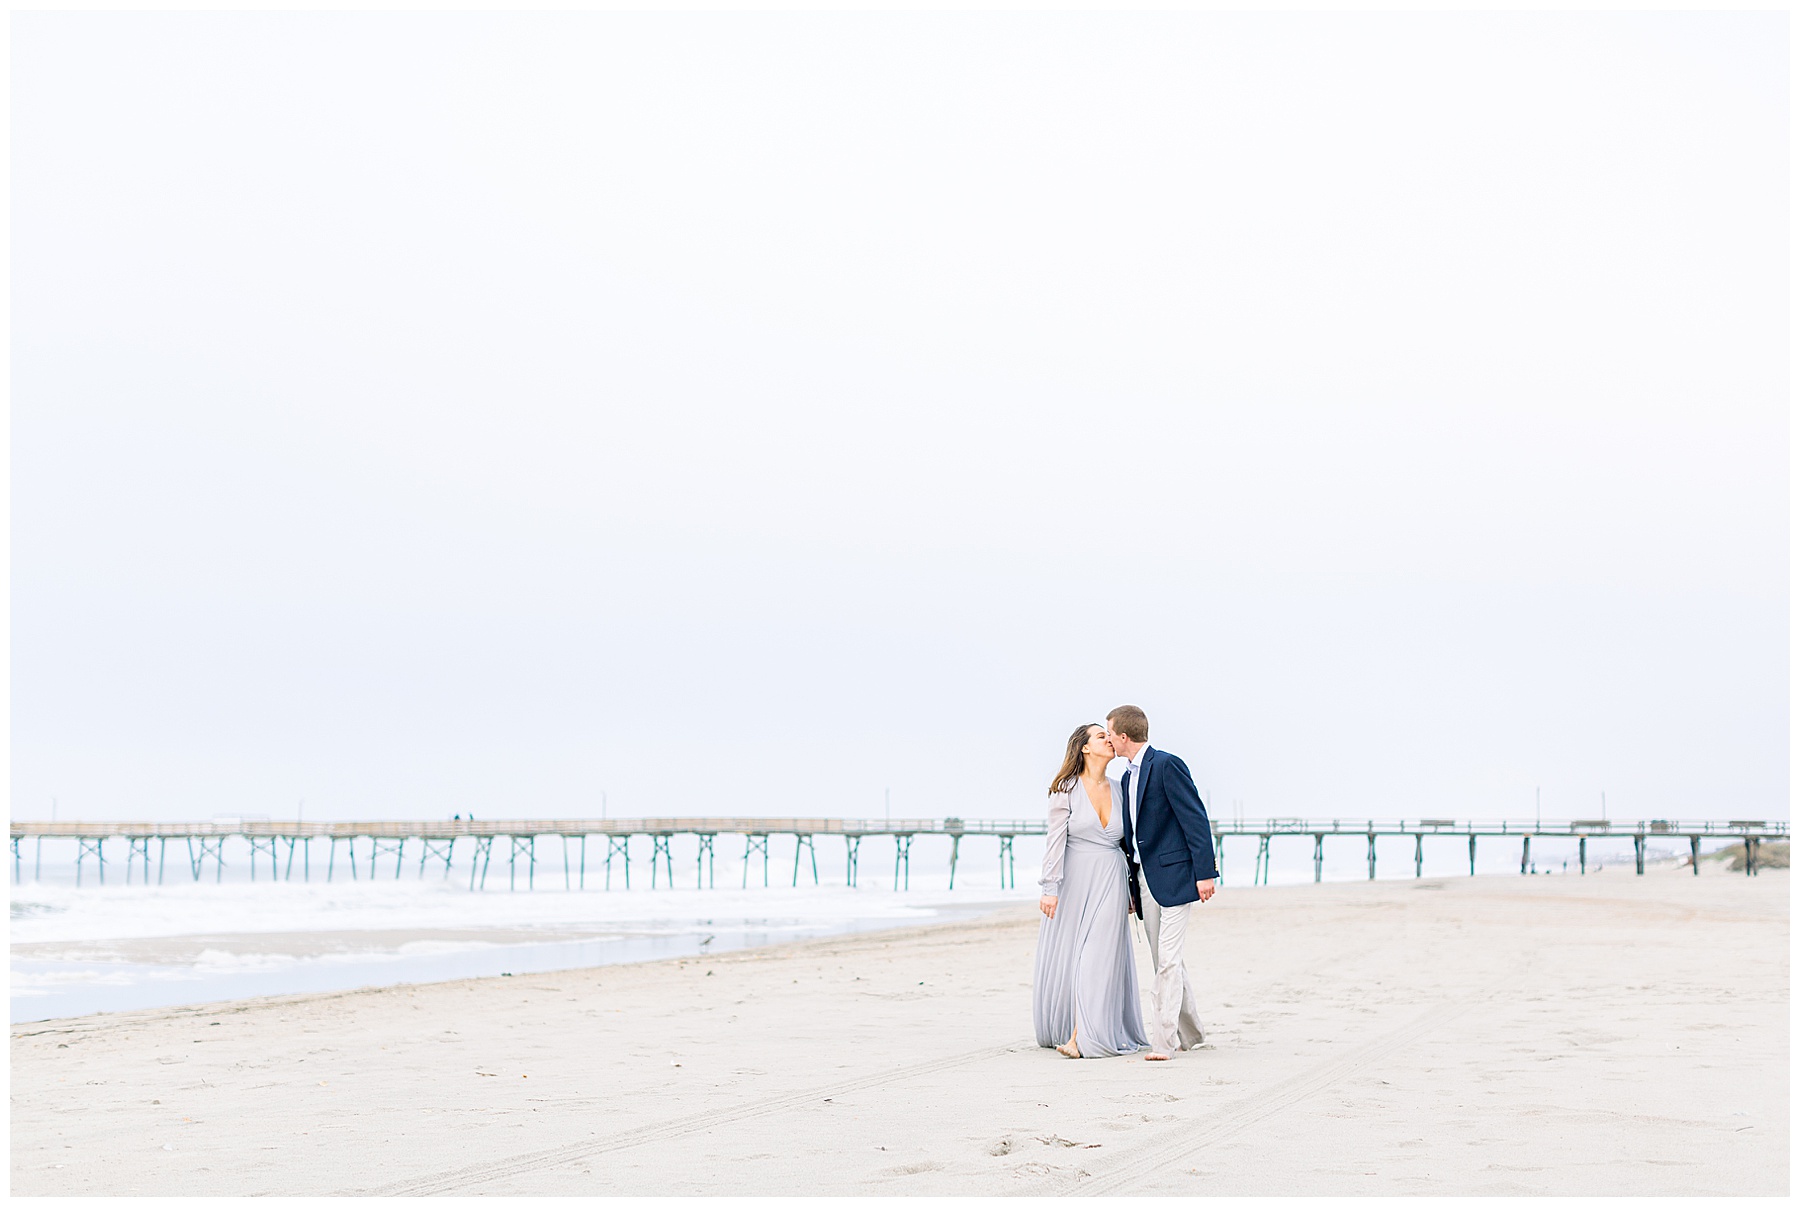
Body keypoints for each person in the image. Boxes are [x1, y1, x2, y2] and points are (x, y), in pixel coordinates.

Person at [1105, 704, 1216, 1061]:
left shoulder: (1167, 765)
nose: (1107, 739)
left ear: (1123, 737)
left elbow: (1195, 819)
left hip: (1177, 877)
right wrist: (1130, 886)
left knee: (1168, 960)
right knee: (1165, 961)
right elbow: (1133, 838)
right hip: (1143, 881)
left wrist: (1205, 873)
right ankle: (1193, 1033)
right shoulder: (1125, 778)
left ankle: (1163, 1042)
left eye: (1109, 733)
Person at [1032, 723, 1149, 1059]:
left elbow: (1129, 844)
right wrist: (1049, 887)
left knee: (1099, 957)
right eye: (1101, 736)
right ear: (1084, 748)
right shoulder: (1065, 789)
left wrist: (1132, 891)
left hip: (1111, 879)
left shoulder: (1121, 788)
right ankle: (1075, 1029)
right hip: (1074, 882)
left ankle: (1080, 1037)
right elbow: (1055, 843)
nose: (1109, 740)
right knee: (1076, 956)